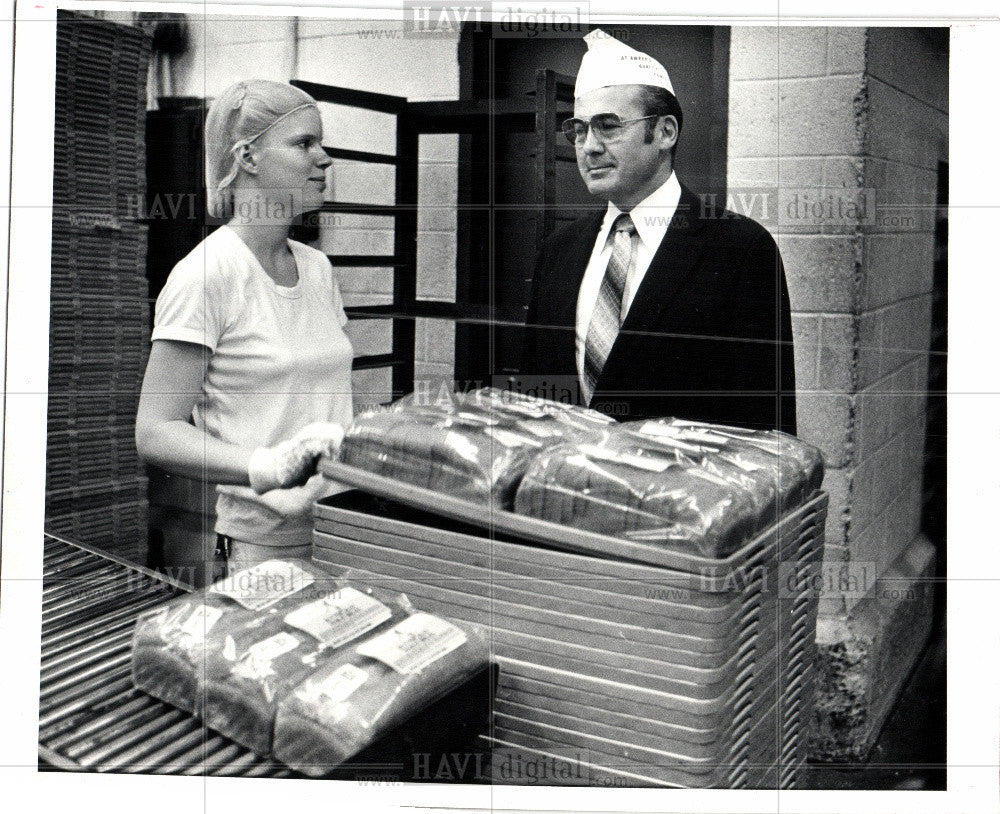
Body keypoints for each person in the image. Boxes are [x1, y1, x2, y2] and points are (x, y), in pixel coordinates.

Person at [521, 31, 797, 435]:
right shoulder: (559, 251)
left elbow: (767, 426)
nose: (588, 147)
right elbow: (535, 399)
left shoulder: (740, 250)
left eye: (608, 126)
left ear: (666, 132)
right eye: (579, 130)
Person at [136, 80, 352, 572]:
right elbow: (155, 431)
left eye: (321, 142)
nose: (325, 159)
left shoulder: (318, 268)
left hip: (347, 529)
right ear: (248, 157)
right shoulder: (208, 274)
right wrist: (267, 466)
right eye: (304, 143)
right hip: (268, 547)